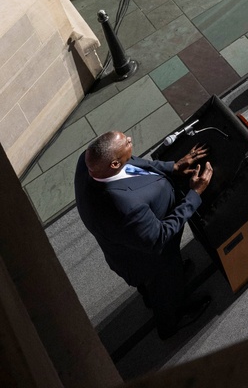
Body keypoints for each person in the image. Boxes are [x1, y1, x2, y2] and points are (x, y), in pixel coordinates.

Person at [74, 129, 213, 339]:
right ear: (113, 164)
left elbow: (133, 164)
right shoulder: (122, 205)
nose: (130, 139)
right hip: (152, 261)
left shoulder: (89, 163)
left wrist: (172, 167)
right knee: (166, 288)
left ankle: (153, 295)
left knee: (157, 287)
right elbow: (160, 237)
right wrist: (195, 194)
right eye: (127, 142)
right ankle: (172, 321)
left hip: (128, 248)